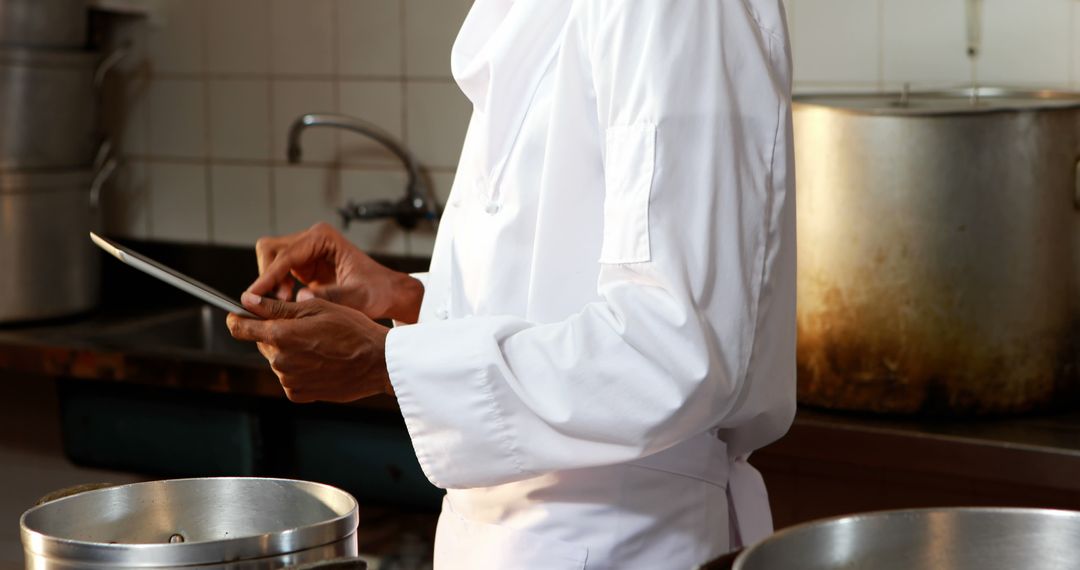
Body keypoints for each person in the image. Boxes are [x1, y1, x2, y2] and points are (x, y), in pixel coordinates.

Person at [227, 0, 795, 568]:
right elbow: (557, 282)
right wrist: (410, 297)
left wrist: (386, 362)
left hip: (622, 541)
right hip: (512, 537)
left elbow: (673, 352)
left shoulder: (670, 10)